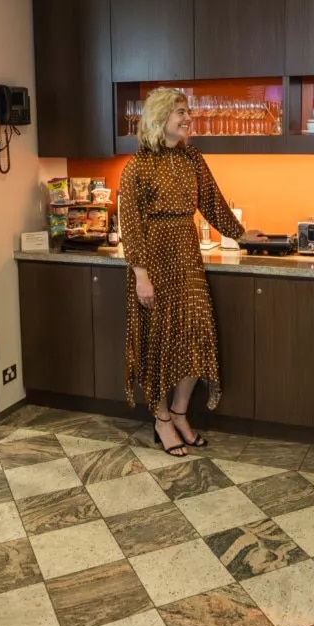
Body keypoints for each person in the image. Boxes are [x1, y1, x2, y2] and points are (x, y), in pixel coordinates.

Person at [118, 87, 265, 457]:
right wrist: (141, 274)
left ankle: (181, 412)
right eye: (180, 112)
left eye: (188, 112)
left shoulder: (192, 158)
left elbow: (212, 202)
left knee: (197, 338)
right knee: (161, 343)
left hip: (187, 258)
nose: (187, 119)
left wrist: (240, 233)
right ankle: (162, 419)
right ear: (159, 118)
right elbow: (131, 225)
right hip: (153, 261)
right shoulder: (136, 167)